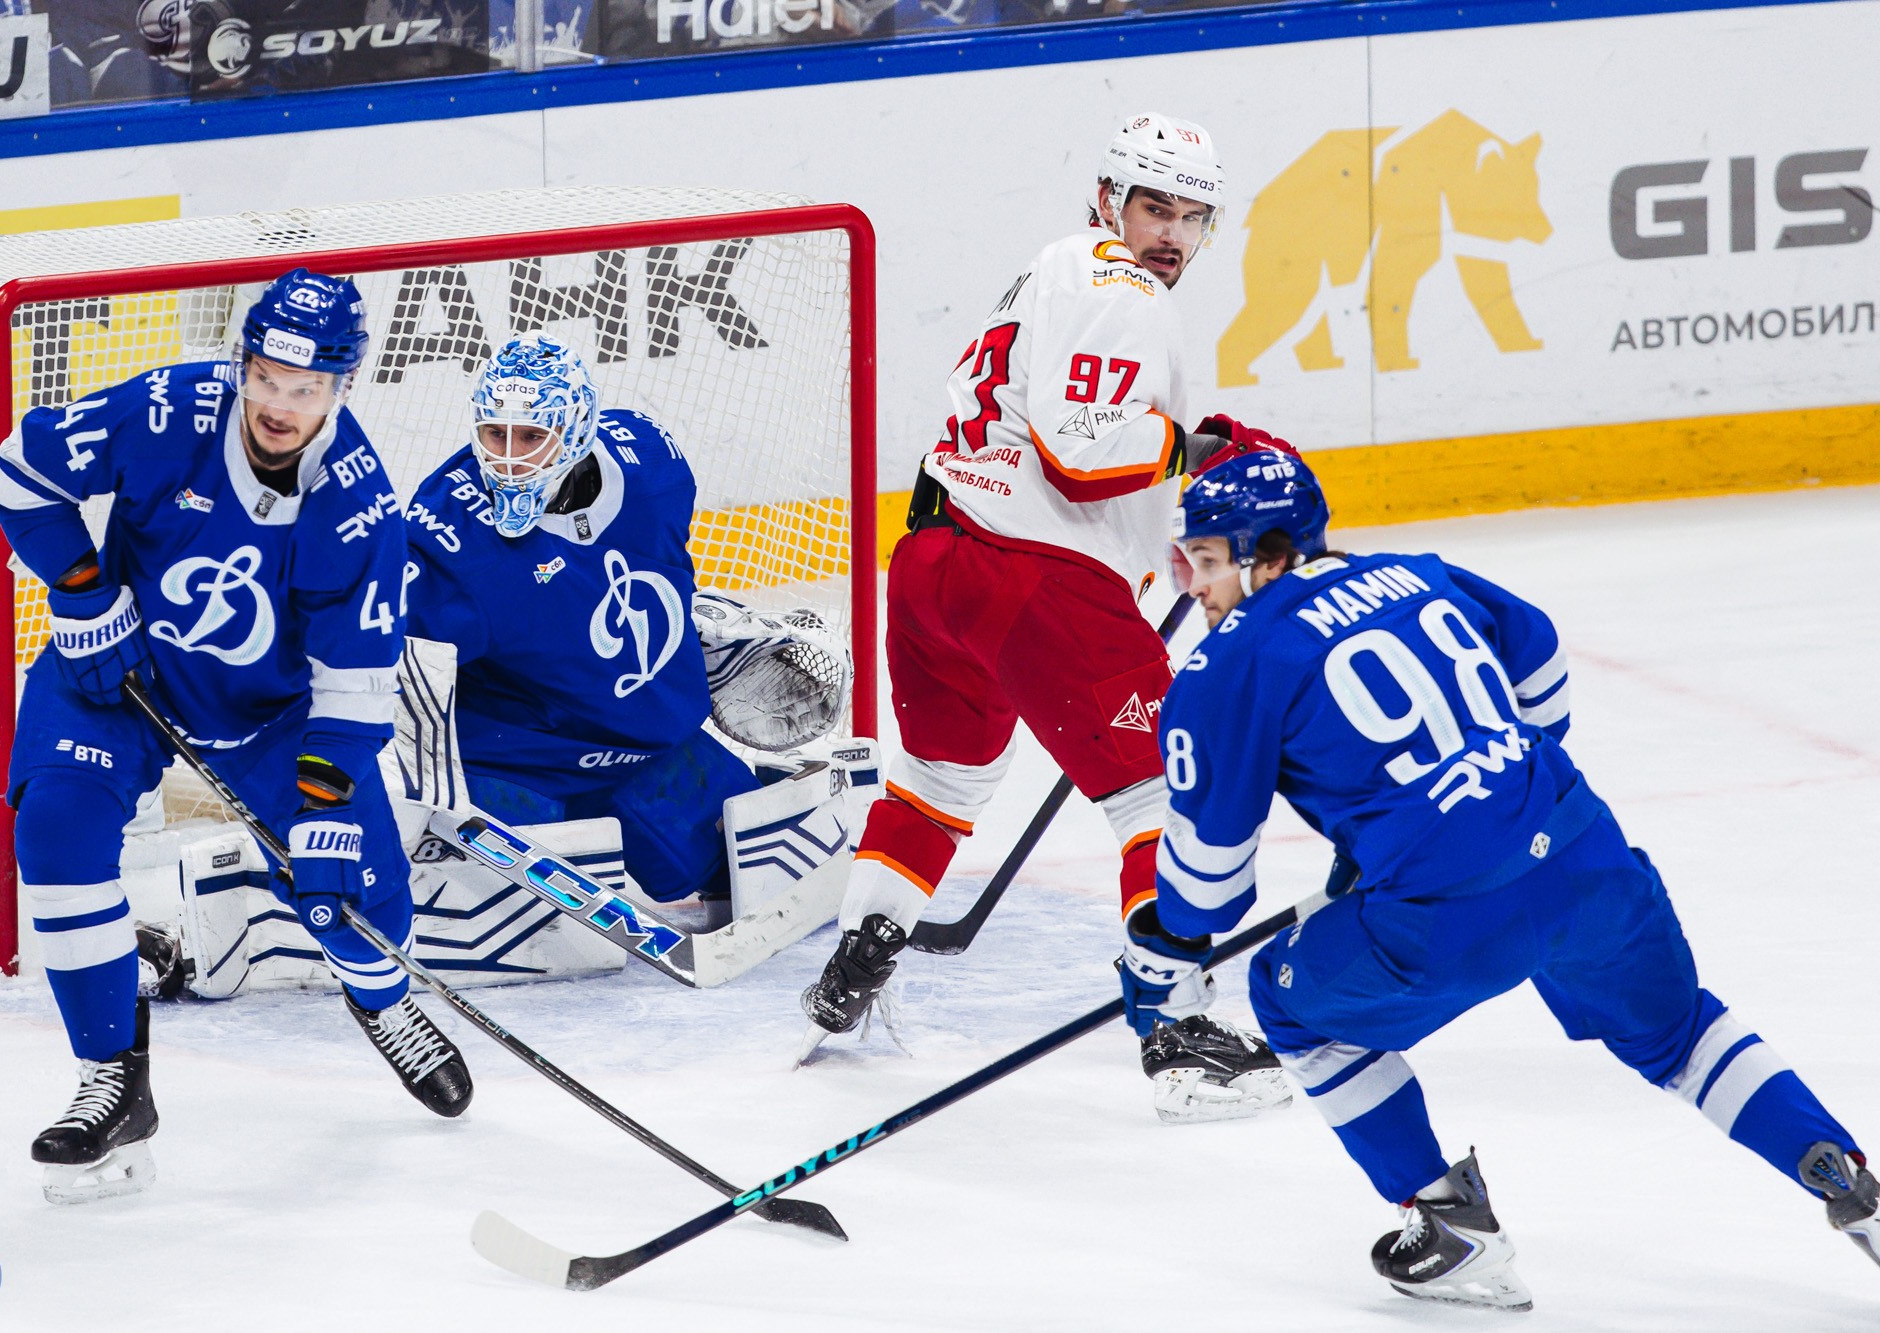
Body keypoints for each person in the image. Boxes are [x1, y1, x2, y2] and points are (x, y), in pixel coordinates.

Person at [1120, 450, 1878, 1308]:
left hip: (1448, 916)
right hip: (1583, 851)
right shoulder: (1417, 573)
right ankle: (1848, 1179)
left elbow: (1209, 890)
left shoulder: (1228, 666)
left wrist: (1162, 950)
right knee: (1680, 1034)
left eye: (1209, 560)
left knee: (1288, 1001)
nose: (1196, 585)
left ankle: (1451, 1226)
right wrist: (1486, 784)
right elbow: (1540, 656)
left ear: (1271, 553)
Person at [794, 111, 1293, 1123]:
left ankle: (859, 955)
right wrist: (1196, 452)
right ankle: (1177, 1033)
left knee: (939, 782)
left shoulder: (1050, 274)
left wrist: (1176, 485)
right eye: (1154, 207)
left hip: (934, 563)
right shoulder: (1118, 283)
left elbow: (1064, 441)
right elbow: (1079, 451)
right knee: (1162, 791)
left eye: (1192, 217)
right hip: (1031, 579)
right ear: (1108, 199)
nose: (1170, 235)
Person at [0, 269, 472, 1204]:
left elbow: (355, 685)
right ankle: (112, 1079)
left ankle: (384, 999)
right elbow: (20, 472)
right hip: (122, 668)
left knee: (355, 897)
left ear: (343, 385)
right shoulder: (168, 409)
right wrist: (82, 592)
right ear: (243, 363)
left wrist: (322, 814)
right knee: (54, 829)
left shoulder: (360, 507)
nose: (280, 405)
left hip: (274, 713)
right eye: (266, 378)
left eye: (306, 388)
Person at [400, 333, 853, 909]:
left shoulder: (650, 465)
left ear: (577, 430)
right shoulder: (447, 540)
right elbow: (381, 664)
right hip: (516, 761)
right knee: (532, 923)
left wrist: (683, 633)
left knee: (777, 884)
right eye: (495, 434)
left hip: (645, 748)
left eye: (532, 436)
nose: (509, 458)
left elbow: (649, 565)